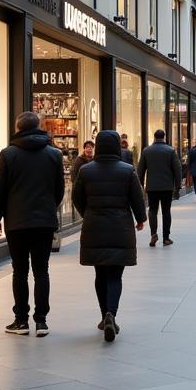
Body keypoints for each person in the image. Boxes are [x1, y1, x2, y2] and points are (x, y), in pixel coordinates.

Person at [0, 111, 65, 337]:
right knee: (42, 271)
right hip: (44, 222)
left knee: (19, 271)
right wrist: (48, 206)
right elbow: (59, 191)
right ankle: (42, 321)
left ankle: (21, 320)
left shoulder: (8, 154)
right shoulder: (54, 155)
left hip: (17, 222)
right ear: (39, 126)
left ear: (18, 129)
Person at [72, 129, 147, 341]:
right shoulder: (127, 170)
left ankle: (103, 313)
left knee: (100, 273)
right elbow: (137, 198)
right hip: (120, 226)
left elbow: (77, 197)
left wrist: (87, 212)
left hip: (94, 225)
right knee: (115, 274)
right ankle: (111, 314)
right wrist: (140, 218)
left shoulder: (86, 170)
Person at [137, 129, 181, 247]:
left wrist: (141, 185)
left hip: (152, 187)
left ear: (154, 137)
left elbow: (140, 170)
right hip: (167, 187)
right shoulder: (171, 151)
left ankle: (153, 234)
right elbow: (177, 169)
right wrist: (178, 186)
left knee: (152, 210)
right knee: (166, 211)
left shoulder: (146, 151)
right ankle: (166, 238)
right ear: (164, 137)